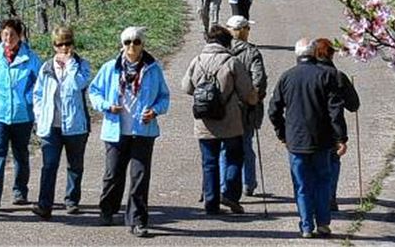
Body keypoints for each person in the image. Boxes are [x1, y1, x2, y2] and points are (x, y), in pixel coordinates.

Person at [89, 27, 170, 238]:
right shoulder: (110, 68)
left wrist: (155, 111)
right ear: (122, 45)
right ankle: (108, 209)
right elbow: (94, 91)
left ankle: (137, 220)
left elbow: (164, 97)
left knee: (139, 177)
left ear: (143, 45)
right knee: (113, 173)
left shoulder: (153, 69)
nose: (131, 47)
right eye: (127, 42)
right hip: (115, 130)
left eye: (136, 42)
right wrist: (106, 105)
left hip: (143, 131)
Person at [268, 38, 348, 238]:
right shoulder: (325, 76)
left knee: (302, 185)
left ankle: (305, 226)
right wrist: (341, 137)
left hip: (296, 141)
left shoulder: (287, 77)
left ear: (297, 55)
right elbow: (335, 110)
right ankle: (323, 223)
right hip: (322, 140)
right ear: (314, 54)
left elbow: (273, 110)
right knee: (322, 182)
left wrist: (282, 133)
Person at [181, 26, 258, 215]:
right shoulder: (232, 62)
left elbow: (186, 87)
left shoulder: (197, 60)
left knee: (209, 163)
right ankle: (230, 195)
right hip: (229, 119)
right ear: (226, 42)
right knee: (234, 157)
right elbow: (247, 93)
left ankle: (211, 203)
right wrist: (254, 99)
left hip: (205, 120)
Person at [0, 19, 42, 209]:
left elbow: (42, 83)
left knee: (21, 154)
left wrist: (30, 98)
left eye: (12, 34)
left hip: (23, 115)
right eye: (5, 34)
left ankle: (20, 191)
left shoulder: (31, 58)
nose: (8, 38)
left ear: (20, 36)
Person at [31, 26, 92, 220]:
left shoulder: (82, 65)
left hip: (75, 125)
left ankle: (72, 200)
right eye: (59, 44)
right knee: (49, 166)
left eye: (67, 43)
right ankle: (44, 205)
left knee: (75, 165)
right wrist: (40, 116)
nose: (64, 48)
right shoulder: (47, 67)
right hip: (51, 126)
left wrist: (71, 65)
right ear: (54, 46)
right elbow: (38, 94)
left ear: (73, 44)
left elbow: (77, 85)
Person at [221, 16, 267, 198]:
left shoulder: (221, 51)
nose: (249, 31)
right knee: (246, 145)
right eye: (247, 28)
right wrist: (253, 99)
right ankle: (248, 183)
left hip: (224, 108)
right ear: (242, 31)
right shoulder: (252, 53)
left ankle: (225, 185)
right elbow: (259, 81)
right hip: (246, 108)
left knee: (225, 148)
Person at [310, 38, 359, 211]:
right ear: (331, 54)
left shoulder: (306, 73)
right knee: (332, 163)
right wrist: (341, 137)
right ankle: (329, 197)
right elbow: (353, 105)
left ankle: (313, 199)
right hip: (330, 130)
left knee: (310, 163)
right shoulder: (338, 76)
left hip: (308, 128)